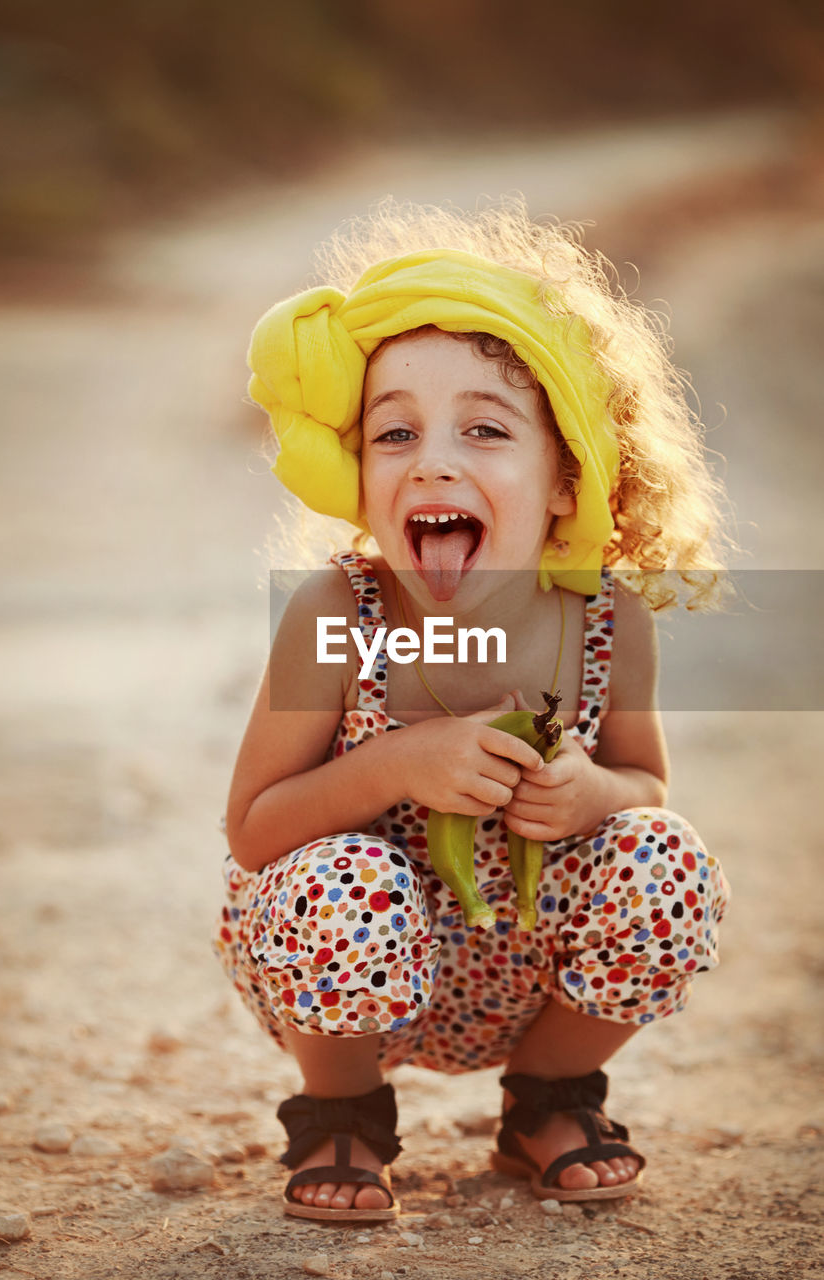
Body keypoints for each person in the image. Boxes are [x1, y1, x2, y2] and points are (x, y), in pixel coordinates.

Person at [213, 199, 731, 1222]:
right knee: (340, 869)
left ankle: (547, 1095)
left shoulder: (603, 619)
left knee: (666, 852)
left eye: (484, 431)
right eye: (393, 430)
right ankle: (341, 1110)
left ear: (564, 477)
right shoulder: (337, 612)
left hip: (523, 959)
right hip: (343, 966)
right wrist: (396, 765)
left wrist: (590, 793)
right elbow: (254, 828)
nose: (433, 461)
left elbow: (646, 782)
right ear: (358, 472)